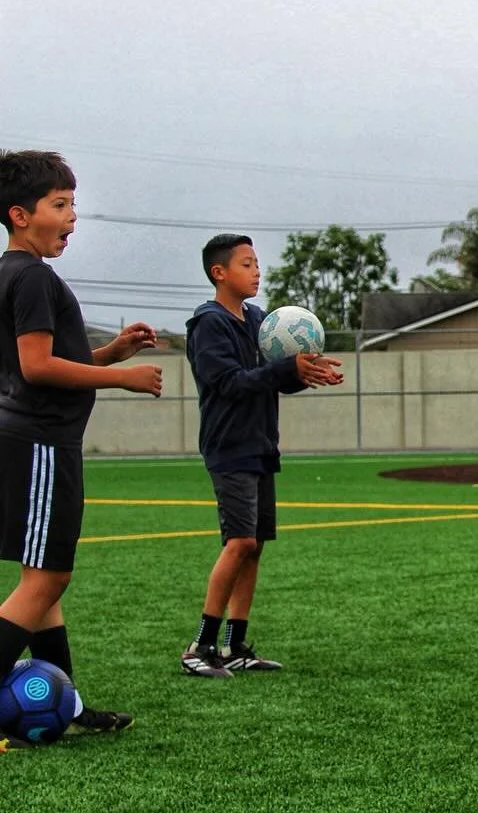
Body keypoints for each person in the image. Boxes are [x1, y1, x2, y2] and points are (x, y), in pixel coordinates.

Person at [0, 149, 163, 742]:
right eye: (60, 205)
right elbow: (39, 368)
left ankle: (61, 706)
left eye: (73, 206)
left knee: (41, 578)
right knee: (46, 581)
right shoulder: (35, 277)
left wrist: (109, 354)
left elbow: (34, 364)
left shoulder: (10, 273)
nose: (72, 218)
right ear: (21, 214)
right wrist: (122, 378)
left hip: (24, 440)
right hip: (43, 444)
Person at [179, 234, 343, 679]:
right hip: (229, 444)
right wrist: (285, 370)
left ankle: (234, 645)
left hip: (260, 443)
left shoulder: (257, 319)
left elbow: (269, 378)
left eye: (256, 263)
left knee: (255, 547)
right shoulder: (209, 323)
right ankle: (200, 645)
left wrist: (305, 373)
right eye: (247, 264)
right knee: (240, 542)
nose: (257, 271)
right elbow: (228, 381)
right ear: (220, 273)